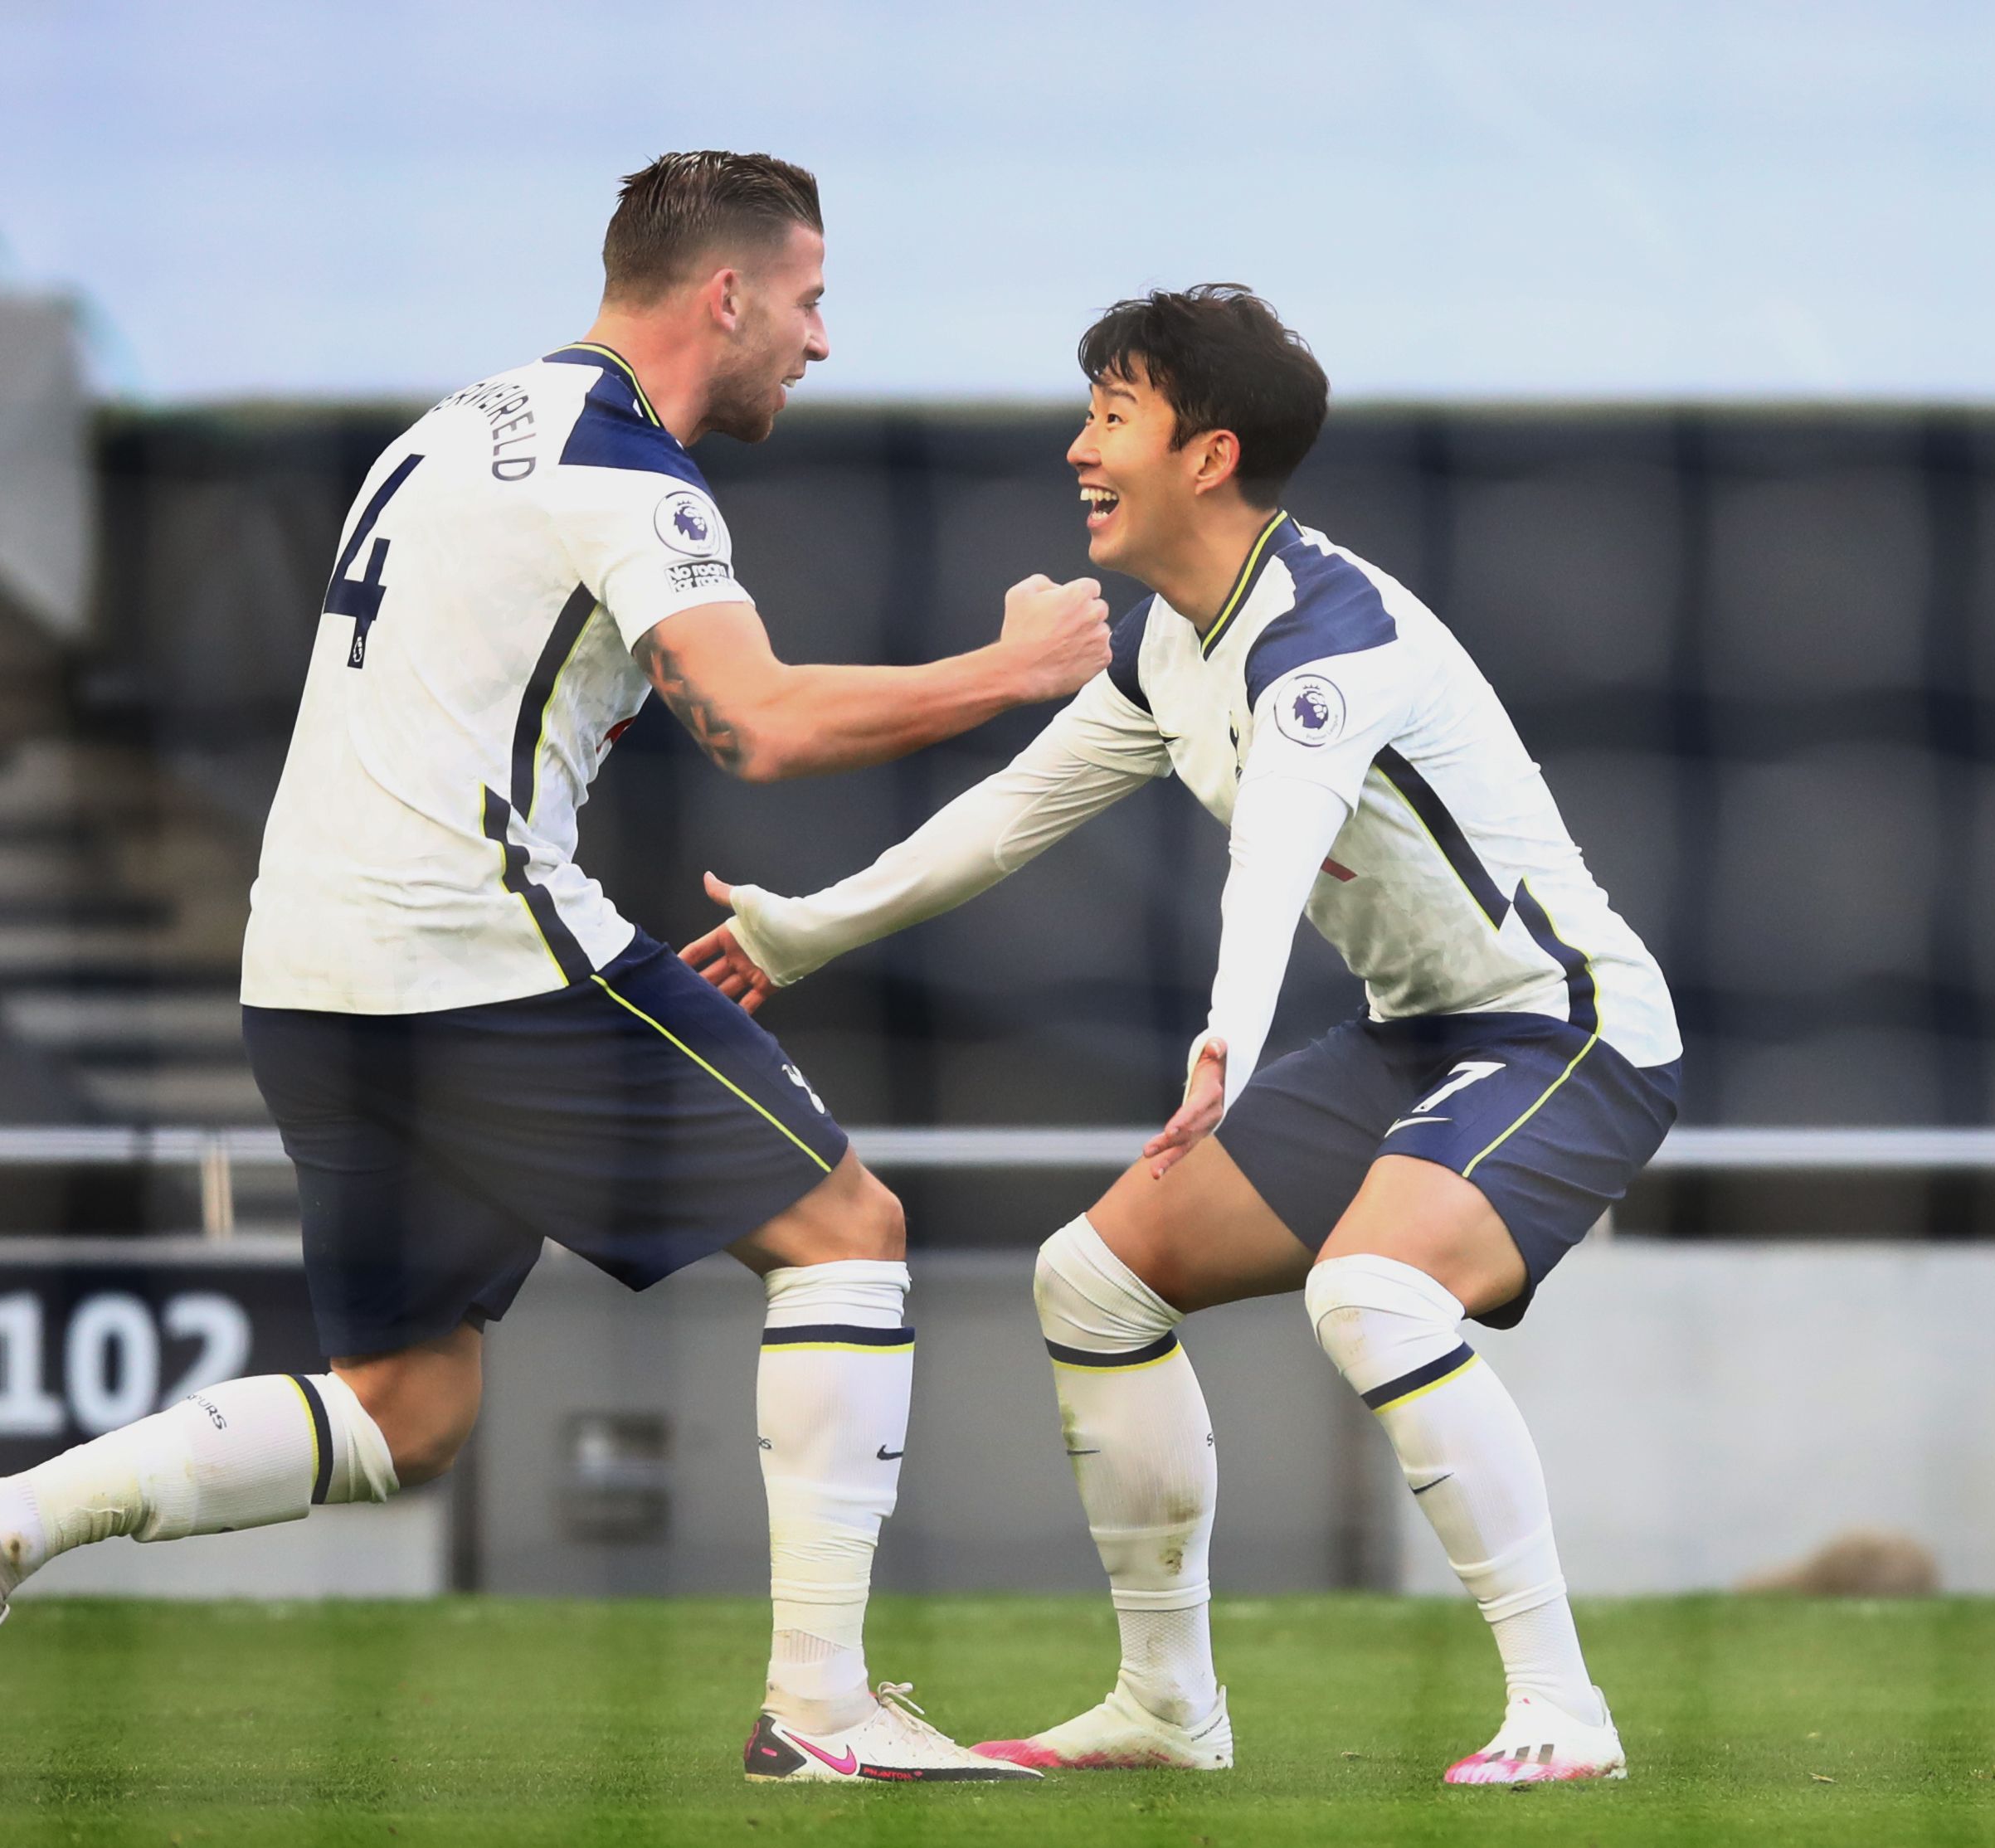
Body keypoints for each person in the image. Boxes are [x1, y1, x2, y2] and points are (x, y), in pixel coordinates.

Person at [0, 150, 1110, 1786]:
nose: (820, 341)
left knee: (409, 1402)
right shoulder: (626, 472)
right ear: (723, 293)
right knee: (846, 1227)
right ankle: (821, 1707)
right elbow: (762, 721)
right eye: (807, 299)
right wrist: (1011, 669)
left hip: (309, 967)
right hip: (466, 943)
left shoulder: (461, 420)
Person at [680, 284, 1682, 1787]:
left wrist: (1223, 1041)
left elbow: (1273, 857)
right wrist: (802, 929)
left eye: (1110, 415)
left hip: (1569, 1032)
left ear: (1205, 457)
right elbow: (1015, 815)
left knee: (1372, 1295)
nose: (1079, 447)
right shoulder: (1170, 640)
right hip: (1420, 1034)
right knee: (1089, 1283)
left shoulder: (1325, 641)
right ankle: (1166, 1707)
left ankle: (1563, 1712)